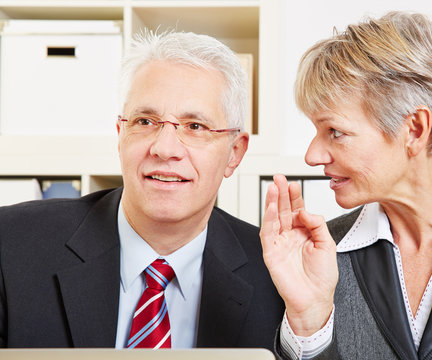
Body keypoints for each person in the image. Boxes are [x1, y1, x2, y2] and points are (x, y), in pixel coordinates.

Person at [261, 11, 432, 360]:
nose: (312, 155)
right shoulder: (316, 258)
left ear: (416, 129)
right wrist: (308, 321)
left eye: (335, 131)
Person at [0, 30, 284, 349]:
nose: (164, 149)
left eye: (195, 127)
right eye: (146, 122)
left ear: (234, 153)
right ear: (120, 135)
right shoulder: (10, 244)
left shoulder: (279, 276)